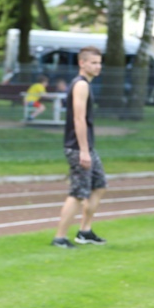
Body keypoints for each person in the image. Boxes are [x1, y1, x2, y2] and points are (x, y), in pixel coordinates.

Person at [51, 46, 107, 249]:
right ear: (81, 63)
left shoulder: (85, 84)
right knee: (77, 193)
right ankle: (60, 237)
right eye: (93, 62)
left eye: (99, 62)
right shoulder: (81, 85)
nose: (97, 66)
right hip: (78, 148)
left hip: (86, 147)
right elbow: (78, 118)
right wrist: (83, 150)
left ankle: (85, 231)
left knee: (99, 185)